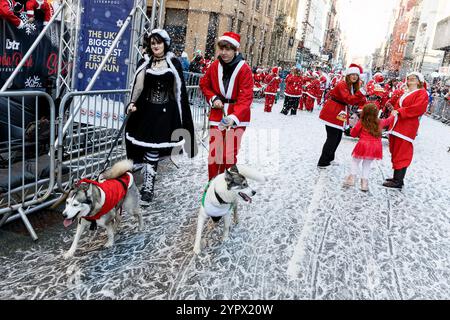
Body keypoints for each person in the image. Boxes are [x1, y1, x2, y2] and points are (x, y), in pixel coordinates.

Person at [125, 29, 197, 205]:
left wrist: (182, 118)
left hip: (165, 114)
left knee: (153, 150)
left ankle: (148, 188)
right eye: (152, 43)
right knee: (144, 148)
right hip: (146, 112)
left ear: (165, 44)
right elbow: (139, 86)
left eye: (158, 42)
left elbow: (179, 91)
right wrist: (132, 103)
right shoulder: (145, 62)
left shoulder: (174, 63)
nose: (155, 46)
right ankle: (144, 179)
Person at [199, 31, 253, 180]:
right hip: (218, 114)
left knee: (229, 155)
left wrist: (234, 117)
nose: (223, 52)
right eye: (221, 49)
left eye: (228, 49)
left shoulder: (244, 69)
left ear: (236, 50)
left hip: (237, 115)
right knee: (215, 154)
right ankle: (212, 186)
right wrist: (213, 98)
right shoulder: (215, 65)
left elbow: (246, 97)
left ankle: (227, 185)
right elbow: (204, 84)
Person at [383, 71, 429, 189]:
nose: (411, 80)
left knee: (402, 151)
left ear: (420, 81)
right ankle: (396, 177)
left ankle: (398, 180)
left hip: (407, 126)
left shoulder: (422, 93)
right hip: (397, 125)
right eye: (409, 78)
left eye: (414, 78)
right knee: (395, 149)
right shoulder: (406, 92)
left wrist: (400, 111)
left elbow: (418, 108)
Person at [317, 63, 367, 168]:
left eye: (356, 75)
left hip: (339, 112)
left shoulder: (352, 86)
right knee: (332, 138)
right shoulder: (342, 84)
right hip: (333, 111)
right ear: (348, 75)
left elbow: (355, 100)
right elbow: (348, 99)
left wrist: (362, 95)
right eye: (352, 74)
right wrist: (360, 93)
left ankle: (329, 158)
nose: (354, 77)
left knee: (337, 137)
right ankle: (323, 161)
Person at [344, 104, 394, 191]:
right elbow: (389, 120)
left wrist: (354, 130)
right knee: (367, 164)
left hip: (363, 145)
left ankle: (351, 179)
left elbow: (353, 133)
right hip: (375, 146)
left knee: (355, 161)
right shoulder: (380, 122)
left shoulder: (362, 122)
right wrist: (393, 114)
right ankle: (364, 184)